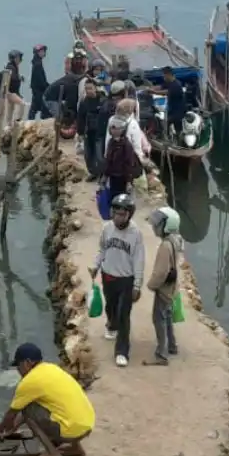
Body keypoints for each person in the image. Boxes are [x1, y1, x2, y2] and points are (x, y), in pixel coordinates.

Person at [0, 343, 94, 456]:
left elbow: (12, 413)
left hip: (71, 430)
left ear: (27, 362)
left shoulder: (30, 382)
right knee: (60, 408)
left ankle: (52, 453)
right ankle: (76, 448)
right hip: (86, 425)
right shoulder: (51, 368)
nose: (18, 370)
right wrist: (11, 430)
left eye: (18, 366)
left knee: (28, 410)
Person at [88, 194, 144, 367]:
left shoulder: (135, 234)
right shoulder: (107, 228)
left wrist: (137, 284)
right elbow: (102, 249)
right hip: (108, 275)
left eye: (123, 214)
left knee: (124, 315)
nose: (118, 217)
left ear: (130, 215)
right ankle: (111, 326)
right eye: (116, 213)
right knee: (110, 306)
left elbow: (139, 260)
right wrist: (95, 265)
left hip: (126, 279)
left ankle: (122, 351)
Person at [143, 208, 183, 366]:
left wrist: (151, 285)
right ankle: (172, 346)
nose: (154, 227)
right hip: (171, 288)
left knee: (158, 319)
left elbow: (161, 272)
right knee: (166, 318)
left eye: (157, 225)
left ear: (166, 226)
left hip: (163, 290)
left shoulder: (165, 246)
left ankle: (161, 354)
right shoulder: (175, 240)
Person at [103, 115, 143, 207]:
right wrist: (105, 175)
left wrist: (129, 181)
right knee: (112, 199)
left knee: (122, 201)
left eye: (117, 128)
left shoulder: (126, 145)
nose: (114, 130)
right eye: (112, 128)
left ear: (122, 130)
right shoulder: (111, 143)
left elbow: (129, 163)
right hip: (113, 176)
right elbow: (108, 160)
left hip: (123, 177)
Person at [77, 79, 104, 180]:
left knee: (99, 155)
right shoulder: (84, 102)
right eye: (86, 89)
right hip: (88, 132)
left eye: (90, 88)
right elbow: (80, 118)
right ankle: (93, 172)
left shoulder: (102, 100)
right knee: (88, 155)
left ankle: (101, 173)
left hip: (99, 133)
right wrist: (80, 133)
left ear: (95, 88)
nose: (88, 91)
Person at [153, 66, 187, 137]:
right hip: (171, 110)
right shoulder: (169, 82)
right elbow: (161, 87)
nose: (163, 76)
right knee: (168, 125)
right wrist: (149, 88)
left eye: (164, 74)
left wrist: (153, 91)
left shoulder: (177, 84)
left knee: (168, 125)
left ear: (168, 74)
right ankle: (170, 139)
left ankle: (173, 142)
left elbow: (166, 92)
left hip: (178, 112)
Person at [27, 44, 51, 120]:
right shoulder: (38, 64)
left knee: (34, 109)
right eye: (43, 51)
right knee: (44, 109)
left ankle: (30, 122)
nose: (44, 53)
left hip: (37, 90)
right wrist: (47, 86)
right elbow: (40, 80)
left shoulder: (36, 62)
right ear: (38, 52)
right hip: (39, 91)